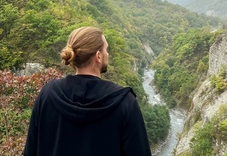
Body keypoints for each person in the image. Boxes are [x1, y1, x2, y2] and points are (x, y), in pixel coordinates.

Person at [24, 26, 152, 156]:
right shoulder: (125, 102)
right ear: (98, 56)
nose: (107, 54)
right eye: (106, 50)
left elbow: (30, 151)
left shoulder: (47, 94)